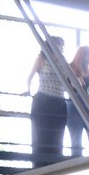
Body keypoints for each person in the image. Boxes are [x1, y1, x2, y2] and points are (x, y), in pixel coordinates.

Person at [26, 36, 69, 168]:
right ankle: (40, 165)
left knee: (57, 137)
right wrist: (28, 90)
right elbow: (31, 75)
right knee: (41, 135)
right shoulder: (42, 58)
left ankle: (54, 165)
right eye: (59, 45)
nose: (62, 48)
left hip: (60, 101)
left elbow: (68, 81)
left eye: (63, 46)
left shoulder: (63, 62)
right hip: (44, 99)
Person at [66, 45, 89, 157]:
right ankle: (77, 161)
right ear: (82, 56)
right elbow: (72, 86)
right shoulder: (70, 67)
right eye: (88, 57)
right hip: (75, 105)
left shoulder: (87, 70)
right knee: (76, 138)